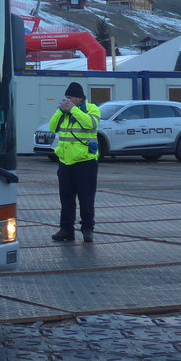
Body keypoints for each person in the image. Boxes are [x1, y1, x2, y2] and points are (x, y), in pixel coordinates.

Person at [48, 81, 101, 243]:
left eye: (70, 98)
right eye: (66, 98)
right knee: (66, 199)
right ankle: (66, 230)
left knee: (86, 199)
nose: (67, 101)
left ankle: (87, 229)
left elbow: (90, 124)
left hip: (85, 162)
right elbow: (52, 127)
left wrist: (74, 110)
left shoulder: (91, 108)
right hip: (65, 163)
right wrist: (60, 111)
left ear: (79, 98)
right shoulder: (64, 112)